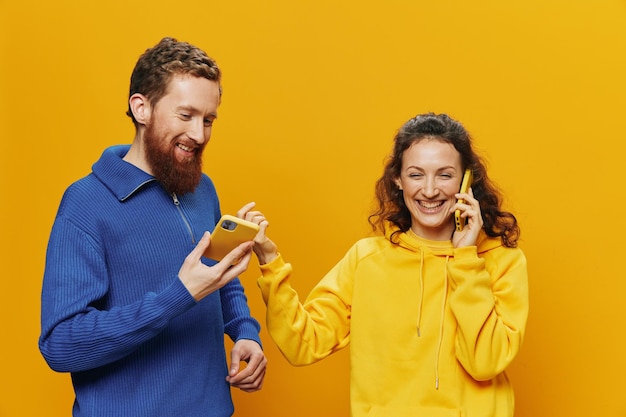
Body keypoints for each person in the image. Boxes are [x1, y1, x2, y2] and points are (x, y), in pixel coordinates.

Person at [242, 113, 528, 417]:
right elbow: (302, 343)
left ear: (467, 180)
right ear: (397, 179)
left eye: (444, 175)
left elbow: (485, 363)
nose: (429, 190)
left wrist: (466, 260)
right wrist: (270, 262)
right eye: (416, 174)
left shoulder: (502, 260)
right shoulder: (366, 259)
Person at [38, 37, 267, 417]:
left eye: (208, 120)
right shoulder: (85, 204)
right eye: (186, 115)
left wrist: (244, 330)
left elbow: (215, 275)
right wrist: (176, 296)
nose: (199, 134)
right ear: (141, 108)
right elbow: (61, 344)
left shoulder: (200, 188)